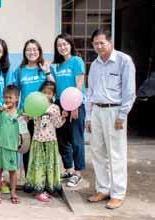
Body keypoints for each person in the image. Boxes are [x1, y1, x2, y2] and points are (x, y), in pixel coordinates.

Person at [86, 29, 136, 209]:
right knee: (98, 152)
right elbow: (90, 91)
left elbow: (130, 92)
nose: (99, 47)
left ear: (110, 42)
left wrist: (122, 116)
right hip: (97, 111)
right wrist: (89, 117)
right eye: (96, 44)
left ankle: (118, 193)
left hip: (115, 112)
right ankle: (103, 189)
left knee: (116, 153)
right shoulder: (95, 64)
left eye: (102, 43)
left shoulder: (124, 61)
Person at [8, 39, 54, 175]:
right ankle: (29, 178)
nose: (32, 52)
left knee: (42, 147)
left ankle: (42, 178)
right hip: (26, 115)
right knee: (26, 147)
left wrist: (47, 72)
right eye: (28, 50)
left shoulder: (43, 69)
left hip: (44, 115)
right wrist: (16, 112)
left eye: (35, 49)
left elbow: (53, 87)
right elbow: (15, 92)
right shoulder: (20, 70)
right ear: (24, 52)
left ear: (39, 52)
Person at [52, 33, 87, 187]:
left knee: (76, 139)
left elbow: (79, 84)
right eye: (59, 45)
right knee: (62, 139)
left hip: (75, 102)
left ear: (71, 45)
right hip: (61, 104)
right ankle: (68, 169)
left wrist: (74, 105)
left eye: (65, 44)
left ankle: (78, 173)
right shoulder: (58, 66)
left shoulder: (76, 61)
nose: (62, 47)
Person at [25, 81, 67, 202]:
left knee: (50, 165)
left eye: (49, 93)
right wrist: (27, 117)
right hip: (38, 141)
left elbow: (57, 124)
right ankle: (38, 190)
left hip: (51, 141)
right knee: (39, 166)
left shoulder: (55, 108)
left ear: (53, 94)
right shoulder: (36, 105)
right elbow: (30, 118)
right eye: (44, 92)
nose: (47, 95)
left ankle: (50, 188)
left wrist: (63, 117)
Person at [0, 85, 22, 204]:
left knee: (12, 171)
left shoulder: (19, 114)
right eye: (5, 97)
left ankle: (13, 192)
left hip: (12, 147)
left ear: (17, 98)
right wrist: (0, 108)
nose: (8, 100)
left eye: (10, 97)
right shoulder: (0, 112)